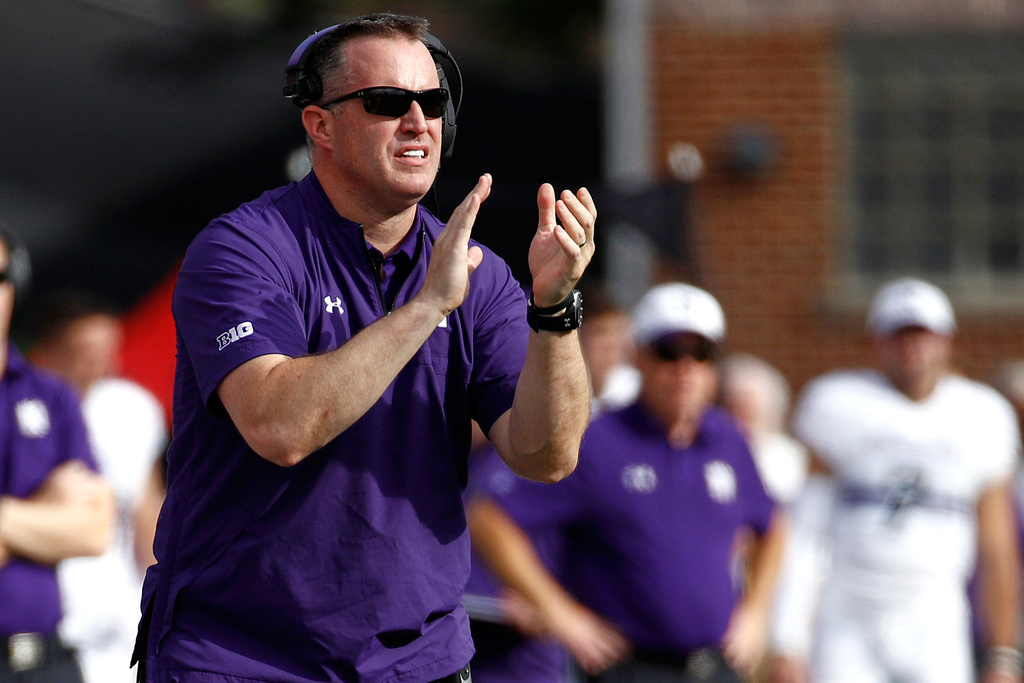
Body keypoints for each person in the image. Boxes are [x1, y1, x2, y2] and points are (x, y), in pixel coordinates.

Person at [135, 12, 595, 683]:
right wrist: (426, 306)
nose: (418, 122)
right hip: (240, 659)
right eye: (388, 102)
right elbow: (280, 426)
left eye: (433, 102)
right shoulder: (242, 247)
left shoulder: (481, 272)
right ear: (320, 124)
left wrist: (554, 309)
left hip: (418, 661)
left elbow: (546, 455)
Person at [472, 283, 788, 682]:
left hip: (715, 665)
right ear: (638, 357)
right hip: (628, 667)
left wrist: (756, 612)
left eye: (700, 353)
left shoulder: (727, 439)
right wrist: (561, 613)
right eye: (668, 352)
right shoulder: (601, 440)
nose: (684, 368)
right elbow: (490, 519)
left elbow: (772, 524)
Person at [769, 277, 1024, 683]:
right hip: (850, 613)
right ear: (875, 341)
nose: (912, 348)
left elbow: (998, 546)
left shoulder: (982, 415)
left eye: (923, 335)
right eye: (898, 335)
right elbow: (805, 530)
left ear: (947, 341)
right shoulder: (837, 403)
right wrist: (788, 638)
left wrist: (1004, 654)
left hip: (934, 615)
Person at [26, 290, 168, 683]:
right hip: (48, 617)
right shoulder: (21, 410)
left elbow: (145, 502)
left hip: (117, 615)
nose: (98, 362)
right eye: (84, 349)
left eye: (108, 348)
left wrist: (160, 591)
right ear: (49, 349)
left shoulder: (133, 408)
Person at [0, 231, 116, 682]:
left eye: (1, 276)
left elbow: (94, 530)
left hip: (47, 660)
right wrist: (45, 512)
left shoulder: (51, 395)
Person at [719, 353, 807, 505]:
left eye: (747, 406)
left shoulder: (784, 455)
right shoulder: (713, 448)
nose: (739, 414)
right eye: (732, 405)